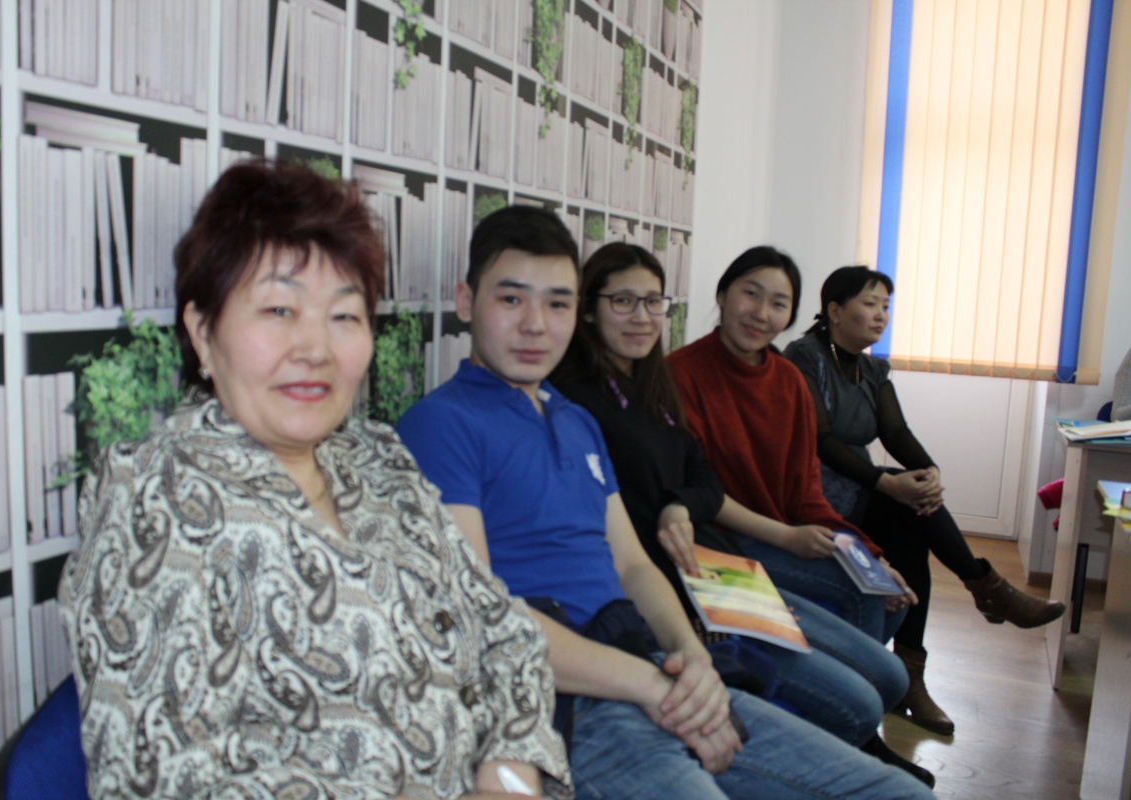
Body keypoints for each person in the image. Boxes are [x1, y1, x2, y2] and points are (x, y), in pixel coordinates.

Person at [56, 160, 570, 800]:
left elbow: (507, 636)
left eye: (344, 316)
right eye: (279, 308)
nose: (316, 349)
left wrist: (507, 782)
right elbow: (167, 782)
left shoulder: (379, 459)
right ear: (203, 333)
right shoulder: (155, 496)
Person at [397, 208, 935, 800]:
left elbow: (631, 564)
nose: (535, 324)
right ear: (466, 301)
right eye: (511, 299)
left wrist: (690, 657)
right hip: (561, 702)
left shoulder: (575, 419)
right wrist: (657, 683)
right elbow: (480, 618)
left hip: (649, 657)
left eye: (556, 303)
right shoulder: (441, 425)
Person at [548, 242, 933, 786]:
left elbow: (706, 480)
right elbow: (638, 536)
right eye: (623, 301)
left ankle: (861, 744)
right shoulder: (578, 403)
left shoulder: (650, 384)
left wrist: (683, 504)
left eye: (652, 302)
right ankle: (858, 750)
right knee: (866, 698)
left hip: (719, 566)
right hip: (697, 575)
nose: (641, 316)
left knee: (887, 673)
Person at [782, 265, 1066, 734]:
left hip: (858, 488)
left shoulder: (872, 368)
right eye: (870, 304)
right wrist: (887, 482)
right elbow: (821, 440)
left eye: (886, 306)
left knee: (913, 532)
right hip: (813, 492)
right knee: (905, 502)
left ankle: (913, 680)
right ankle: (986, 591)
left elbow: (895, 430)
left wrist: (929, 473)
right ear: (834, 310)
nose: (881, 315)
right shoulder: (803, 358)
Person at [667, 246, 914, 648]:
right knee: (864, 596)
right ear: (722, 295)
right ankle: (855, 686)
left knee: (890, 598)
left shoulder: (788, 380)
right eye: (751, 294)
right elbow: (698, 494)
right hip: (715, 543)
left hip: (778, 535)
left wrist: (870, 557)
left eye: (778, 303)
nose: (761, 313)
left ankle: (839, 679)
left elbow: (806, 493)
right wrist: (787, 537)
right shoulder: (680, 374)